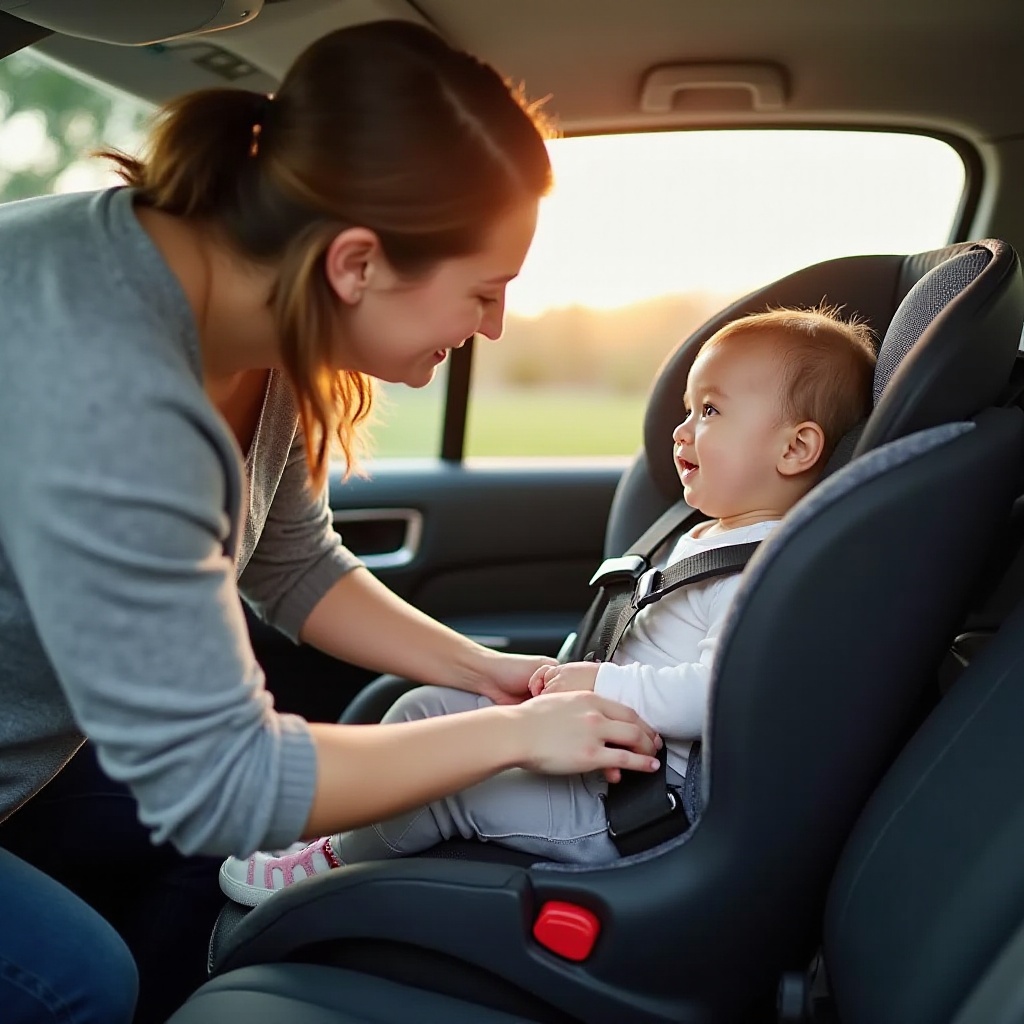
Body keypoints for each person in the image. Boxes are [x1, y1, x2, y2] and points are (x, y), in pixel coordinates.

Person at [0, 20, 663, 1024]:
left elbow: (292, 559)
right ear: (357, 262)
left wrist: (483, 672)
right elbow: (223, 778)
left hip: (27, 758)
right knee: (82, 984)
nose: (492, 326)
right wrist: (511, 734)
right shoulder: (108, 380)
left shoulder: (246, 322)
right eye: (484, 291)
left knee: (208, 869)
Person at [219, 304, 878, 906]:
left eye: (710, 412)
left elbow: (717, 694)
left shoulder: (762, 570)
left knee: (454, 785)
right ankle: (341, 832)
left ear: (795, 448)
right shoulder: (705, 530)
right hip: (602, 753)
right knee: (422, 710)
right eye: (686, 408)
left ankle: (329, 868)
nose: (680, 432)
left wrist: (601, 682)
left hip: (633, 802)